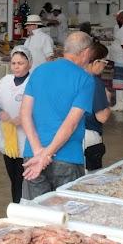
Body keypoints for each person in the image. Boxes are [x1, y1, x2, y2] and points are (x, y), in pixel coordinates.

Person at [19, 31, 96, 199]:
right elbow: (71, 124)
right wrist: (46, 154)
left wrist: (39, 151)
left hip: (33, 156)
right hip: (66, 157)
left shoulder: (39, 71)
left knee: (37, 217)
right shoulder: (85, 79)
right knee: (66, 216)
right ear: (86, 52)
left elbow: (24, 114)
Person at [0, 45, 32, 203]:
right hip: (8, 138)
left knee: (24, 179)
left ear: (29, 64)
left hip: (26, 139)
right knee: (13, 178)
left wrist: (23, 118)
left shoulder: (32, 82)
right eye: (14, 63)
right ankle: (16, 204)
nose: (16, 66)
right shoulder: (4, 81)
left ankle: (22, 206)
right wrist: (0, 112)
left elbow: (40, 107)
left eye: (20, 63)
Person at [83, 42, 112, 171]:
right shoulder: (94, 82)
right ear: (95, 62)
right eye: (104, 62)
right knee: (90, 177)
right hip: (89, 135)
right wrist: (108, 100)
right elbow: (102, 117)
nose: (104, 66)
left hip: (69, 134)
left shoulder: (73, 76)